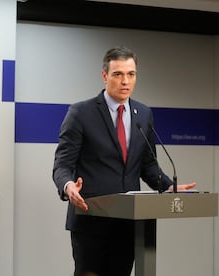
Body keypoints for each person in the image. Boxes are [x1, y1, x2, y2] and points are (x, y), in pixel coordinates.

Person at [52, 46, 196, 276]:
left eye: (131, 74)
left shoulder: (144, 113)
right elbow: (62, 164)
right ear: (104, 76)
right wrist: (69, 187)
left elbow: (148, 165)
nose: (125, 81)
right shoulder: (81, 112)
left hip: (128, 223)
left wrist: (169, 186)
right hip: (91, 221)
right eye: (118, 74)